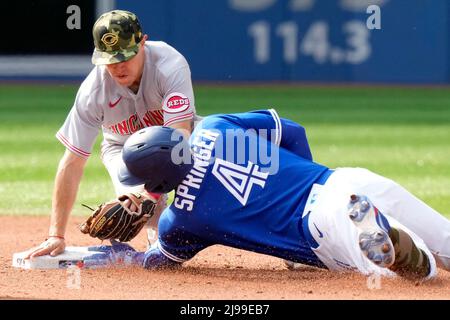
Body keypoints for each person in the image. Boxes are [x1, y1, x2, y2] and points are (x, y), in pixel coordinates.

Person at [84, 109, 450, 279]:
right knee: (446, 241)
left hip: (320, 227)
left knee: (422, 272)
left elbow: (160, 261)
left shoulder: (181, 220)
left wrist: (125, 256)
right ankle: (372, 221)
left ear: (158, 184)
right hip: (344, 180)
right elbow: (293, 132)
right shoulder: (215, 126)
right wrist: (304, 179)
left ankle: (393, 242)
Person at [26, 10, 199, 259]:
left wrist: (150, 191)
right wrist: (57, 234)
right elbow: (72, 162)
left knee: (202, 176)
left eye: (125, 56)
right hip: (122, 149)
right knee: (141, 209)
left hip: (178, 140)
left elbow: (180, 135)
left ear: (143, 42)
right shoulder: (92, 92)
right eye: (109, 59)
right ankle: (158, 234)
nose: (118, 66)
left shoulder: (169, 65)